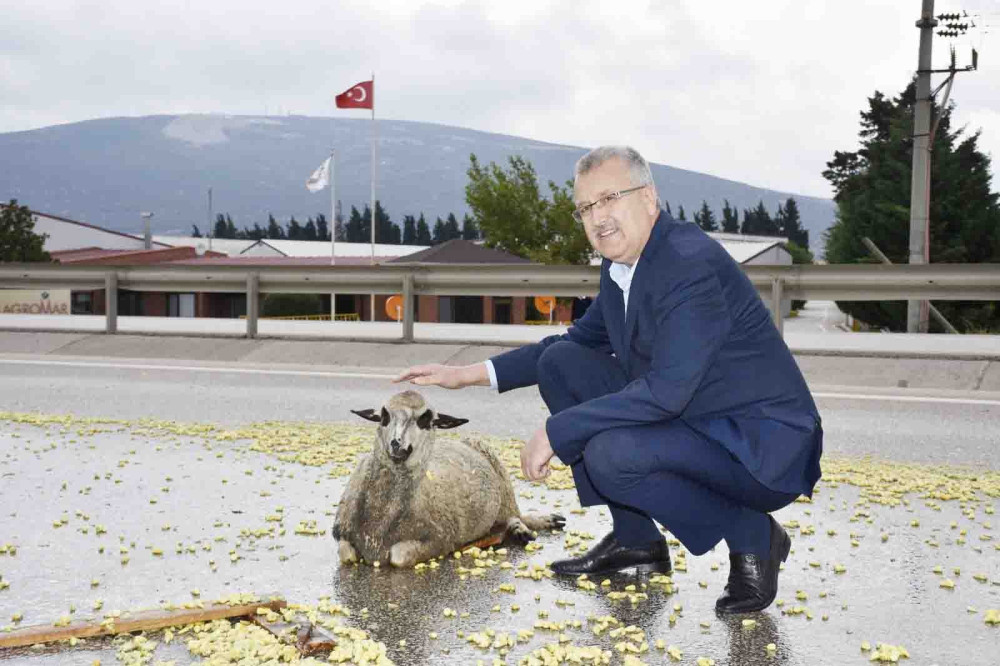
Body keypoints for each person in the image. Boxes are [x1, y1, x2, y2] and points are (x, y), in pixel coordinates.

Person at [394, 145, 823, 614]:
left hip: (758, 445)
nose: (598, 218)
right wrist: (467, 374)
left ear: (649, 199)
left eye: (610, 198)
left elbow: (666, 392)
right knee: (563, 364)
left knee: (611, 455)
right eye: (586, 207)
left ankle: (754, 535)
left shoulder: (688, 263)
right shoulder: (623, 267)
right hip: (698, 420)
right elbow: (570, 344)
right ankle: (637, 539)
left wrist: (556, 432)